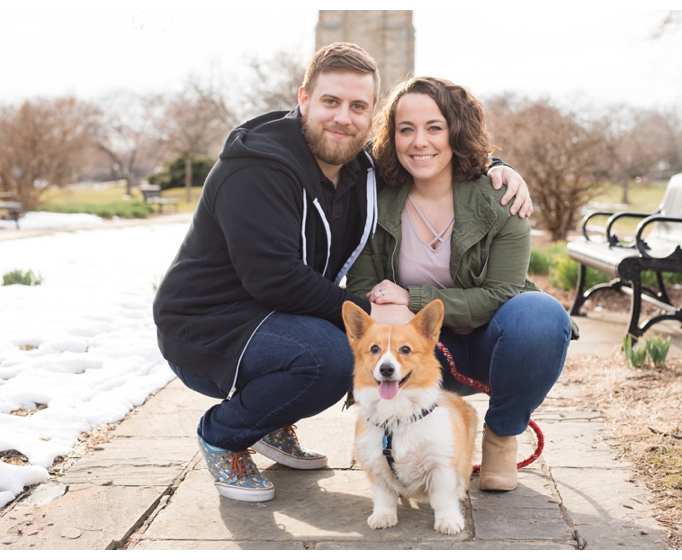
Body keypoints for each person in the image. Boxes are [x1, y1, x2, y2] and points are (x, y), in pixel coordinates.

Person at [152, 43, 532, 502]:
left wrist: (499, 168)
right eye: (331, 101)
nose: (342, 117)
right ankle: (224, 436)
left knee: (335, 352)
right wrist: (370, 315)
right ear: (304, 98)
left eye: (358, 107)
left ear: (372, 117)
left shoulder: (358, 164)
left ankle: (267, 425)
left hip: (275, 317)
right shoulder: (257, 168)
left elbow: (429, 147)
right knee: (332, 359)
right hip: (207, 325)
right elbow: (273, 277)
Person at [346, 76, 577, 492]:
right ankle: (397, 437)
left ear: (456, 131)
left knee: (541, 315)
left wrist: (411, 298)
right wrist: (389, 309)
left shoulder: (501, 198)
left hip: (492, 345)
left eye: (435, 127)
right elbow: (365, 289)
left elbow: (503, 294)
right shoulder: (373, 198)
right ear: (392, 137)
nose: (420, 142)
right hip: (416, 354)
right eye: (406, 129)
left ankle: (502, 436)